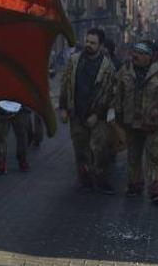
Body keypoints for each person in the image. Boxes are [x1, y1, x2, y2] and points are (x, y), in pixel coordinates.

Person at [115, 40, 158, 205]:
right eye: (135, 52)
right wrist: (119, 115)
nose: (136, 56)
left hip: (152, 124)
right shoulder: (125, 71)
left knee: (155, 156)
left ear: (149, 56)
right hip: (131, 122)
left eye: (141, 53)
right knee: (133, 155)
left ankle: (156, 189)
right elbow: (117, 94)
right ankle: (134, 185)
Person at [59, 28, 117, 193]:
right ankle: (85, 181)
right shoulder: (74, 61)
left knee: (100, 149)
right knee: (81, 149)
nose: (89, 45)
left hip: (97, 116)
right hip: (77, 112)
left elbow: (109, 93)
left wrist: (97, 114)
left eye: (93, 43)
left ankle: (101, 180)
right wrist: (63, 107)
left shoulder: (107, 67)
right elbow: (65, 84)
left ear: (100, 45)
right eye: (87, 41)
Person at [0, 102, 30, 174]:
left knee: (0, 137)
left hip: (4, 107)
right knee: (21, 136)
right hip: (16, 106)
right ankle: (22, 162)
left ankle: (1, 165)